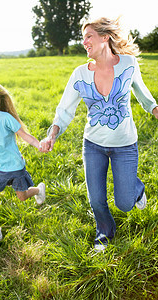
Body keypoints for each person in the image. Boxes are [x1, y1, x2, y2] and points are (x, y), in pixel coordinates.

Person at [40, 17, 158, 252]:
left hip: (125, 145)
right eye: (83, 38)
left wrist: (155, 110)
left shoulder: (128, 64)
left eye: (88, 36)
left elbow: (144, 97)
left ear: (105, 38)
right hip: (93, 145)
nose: (84, 42)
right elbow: (64, 110)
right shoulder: (80, 74)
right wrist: (52, 134)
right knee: (96, 200)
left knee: (124, 204)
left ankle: (136, 189)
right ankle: (104, 231)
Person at [0, 80, 45, 249]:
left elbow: (23, 134)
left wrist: (38, 144)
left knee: (22, 196)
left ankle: (38, 190)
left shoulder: (5, 118)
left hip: (15, 166)